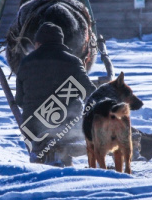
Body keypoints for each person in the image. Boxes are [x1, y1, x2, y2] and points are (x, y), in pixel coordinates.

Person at [15, 23, 95, 165]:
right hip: (68, 127)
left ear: (38, 43)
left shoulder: (25, 62)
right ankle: (65, 156)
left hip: (34, 128)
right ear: (60, 42)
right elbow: (90, 92)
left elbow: (20, 101)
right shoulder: (73, 61)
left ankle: (41, 156)